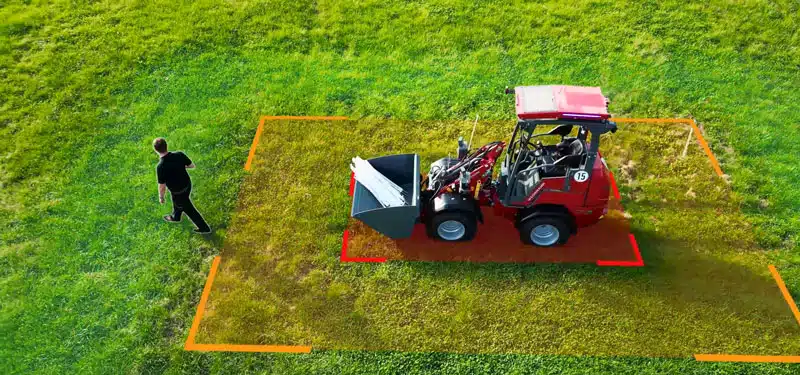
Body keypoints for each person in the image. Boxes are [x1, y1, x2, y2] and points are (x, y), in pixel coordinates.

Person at [153, 138, 211, 234]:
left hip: (178, 191)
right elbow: (192, 165)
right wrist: (179, 166)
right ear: (166, 145)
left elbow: (162, 186)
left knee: (189, 209)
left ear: (156, 150)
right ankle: (176, 217)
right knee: (178, 202)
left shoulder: (161, 166)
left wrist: (161, 197)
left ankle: (204, 228)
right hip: (187, 185)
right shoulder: (179, 155)